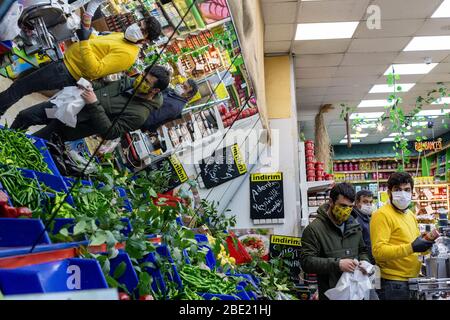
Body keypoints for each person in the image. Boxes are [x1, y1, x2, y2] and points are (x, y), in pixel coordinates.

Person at [0, 16, 162, 117]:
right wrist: (85, 28)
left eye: (142, 30)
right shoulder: (122, 37)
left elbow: (95, 70)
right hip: (64, 63)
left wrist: (84, 42)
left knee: (20, 87)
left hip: (67, 72)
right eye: (139, 24)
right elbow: (97, 42)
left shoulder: (128, 55)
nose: (136, 28)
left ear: (146, 40)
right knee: (21, 85)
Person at [10, 65, 170, 141]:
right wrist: (90, 85)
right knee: (25, 116)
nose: (140, 80)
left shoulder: (139, 114)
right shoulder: (129, 81)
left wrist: (93, 103)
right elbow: (105, 85)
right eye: (142, 75)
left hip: (72, 126)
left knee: (33, 141)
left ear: (155, 91)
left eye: (146, 81)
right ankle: (6, 140)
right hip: (66, 106)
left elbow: (110, 133)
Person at [370, 172, 435, 300]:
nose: (403, 193)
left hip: (412, 280)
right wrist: (412, 247)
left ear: (412, 192)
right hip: (392, 283)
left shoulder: (410, 214)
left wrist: (426, 244)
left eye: (407, 190)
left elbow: (413, 244)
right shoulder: (381, 215)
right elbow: (378, 251)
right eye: (398, 190)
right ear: (389, 192)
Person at [300, 183, 370, 300]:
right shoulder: (314, 229)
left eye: (350, 207)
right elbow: (306, 262)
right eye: (342, 206)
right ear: (331, 202)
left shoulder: (355, 225)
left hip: (356, 293)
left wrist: (364, 262)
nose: (346, 211)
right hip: (330, 295)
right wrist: (338, 264)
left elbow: (362, 250)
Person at [352, 190, 375, 263]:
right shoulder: (354, 219)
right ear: (357, 203)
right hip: (363, 261)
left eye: (371, 202)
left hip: (369, 259)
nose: (368, 205)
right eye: (365, 202)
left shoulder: (367, 216)